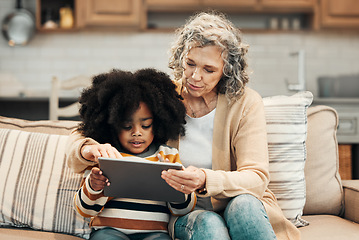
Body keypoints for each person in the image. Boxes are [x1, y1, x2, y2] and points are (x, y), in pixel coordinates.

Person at [67, 12, 300, 240]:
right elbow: (84, 133)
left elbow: (256, 178)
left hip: (236, 202)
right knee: (208, 222)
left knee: (244, 205)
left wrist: (205, 180)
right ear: (182, 57)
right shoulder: (164, 95)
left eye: (209, 70)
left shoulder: (246, 103)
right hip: (186, 212)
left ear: (227, 71)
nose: (195, 76)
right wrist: (87, 148)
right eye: (190, 64)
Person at [72, 68, 196, 240]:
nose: (137, 133)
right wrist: (94, 187)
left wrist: (179, 186)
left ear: (159, 123)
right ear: (112, 124)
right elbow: (84, 210)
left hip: (155, 234)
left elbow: (182, 209)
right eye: (127, 126)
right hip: (109, 232)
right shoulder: (106, 154)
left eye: (145, 126)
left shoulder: (168, 156)